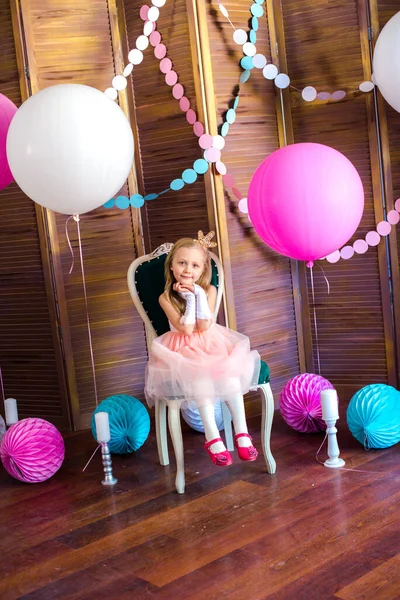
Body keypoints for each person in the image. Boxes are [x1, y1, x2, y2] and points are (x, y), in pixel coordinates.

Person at [145, 230, 261, 466]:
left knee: (229, 380)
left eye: (195, 265)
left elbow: (206, 324)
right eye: (182, 263)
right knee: (201, 381)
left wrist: (197, 293)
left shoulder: (208, 290)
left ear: (202, 270)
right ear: (172, 267)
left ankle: (242, 434)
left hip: (211, 343)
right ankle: (213, 439)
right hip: (181, 349)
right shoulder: (166, 297)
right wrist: (188, 300)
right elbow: (186, 330)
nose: (188, 270)